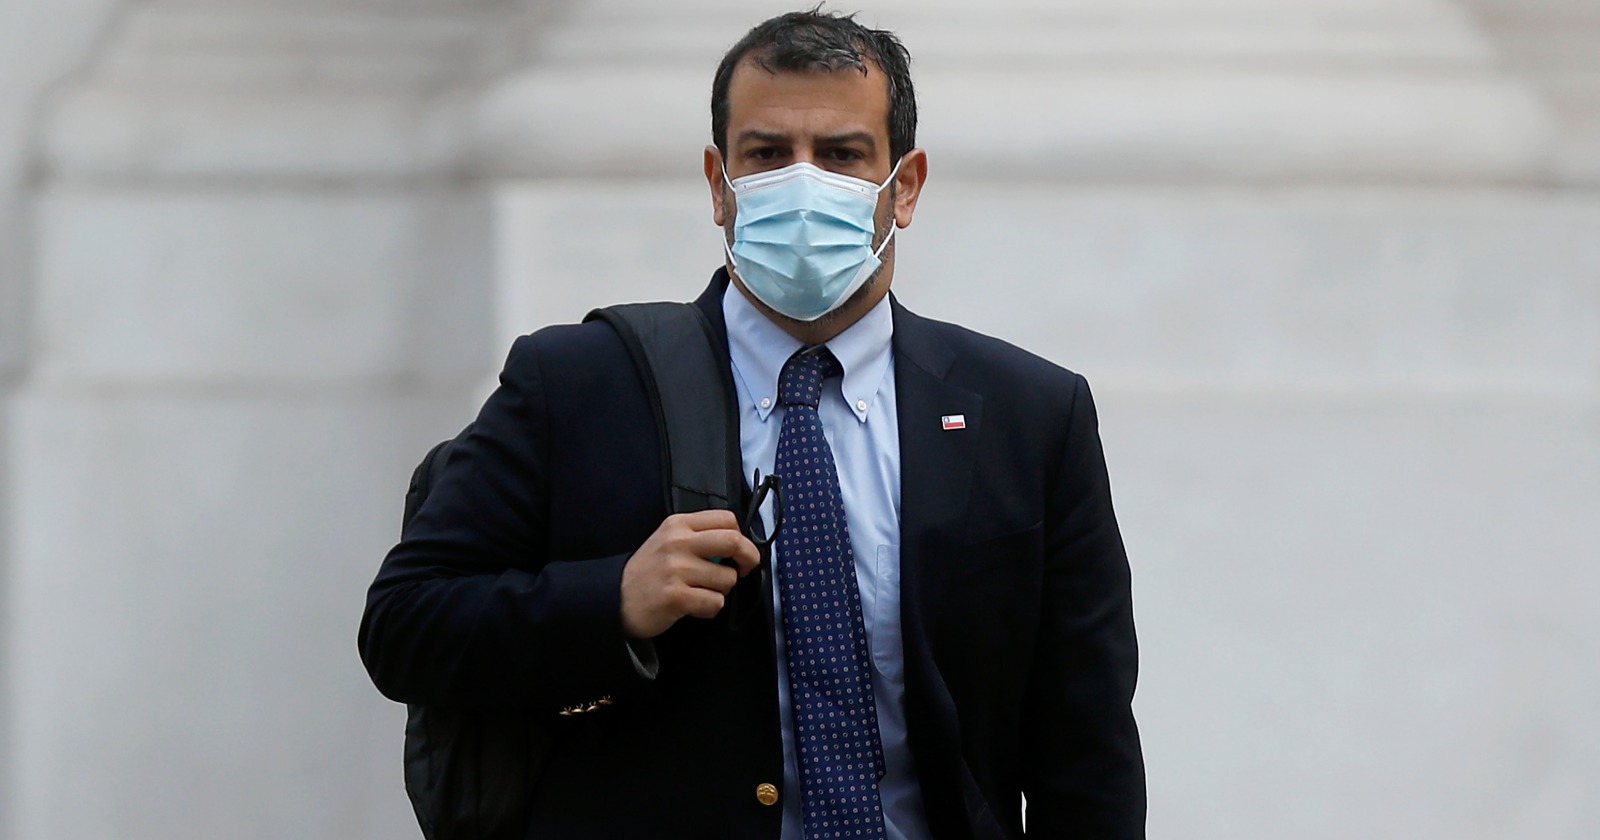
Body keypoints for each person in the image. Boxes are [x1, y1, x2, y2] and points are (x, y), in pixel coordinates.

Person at [360, 9, 1144, 839]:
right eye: (767, 154)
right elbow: (404, 625)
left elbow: (1084, 745)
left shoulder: (1026, 414)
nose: (803, 183)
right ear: (718, 182)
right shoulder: (580, 384)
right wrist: (611, 601)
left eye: (841, 155)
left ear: (905, 186)